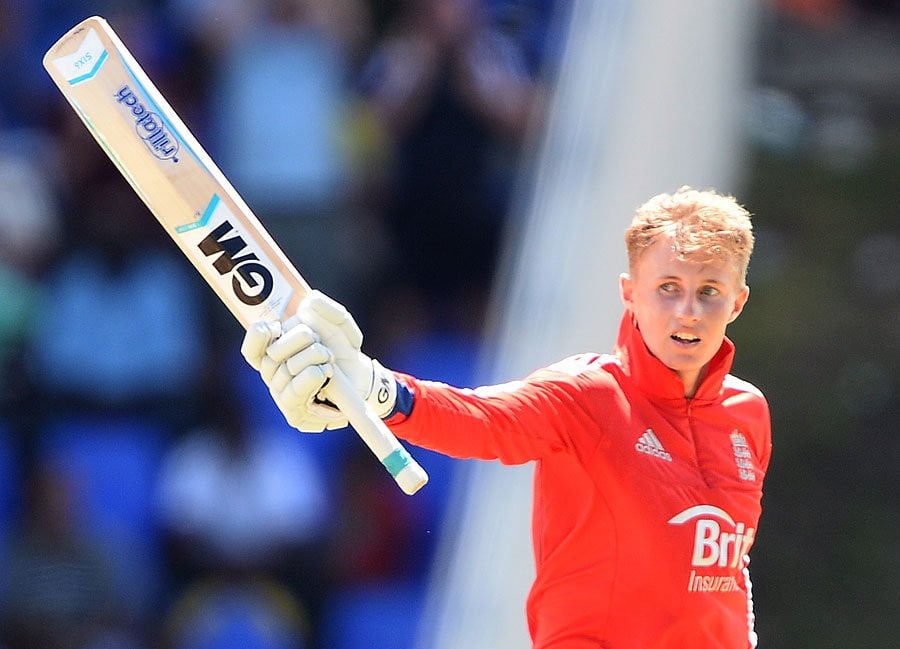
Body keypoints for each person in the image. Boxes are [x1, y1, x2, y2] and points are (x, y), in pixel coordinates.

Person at [240, 186, 772, 648]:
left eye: (709, 293)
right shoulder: (588, 395)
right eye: (668, 289)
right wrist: (377, 388)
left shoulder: (748, 413)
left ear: (739, 302)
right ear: (630, 293)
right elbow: (484, 419)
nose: (688, 313)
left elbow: (726, 574)